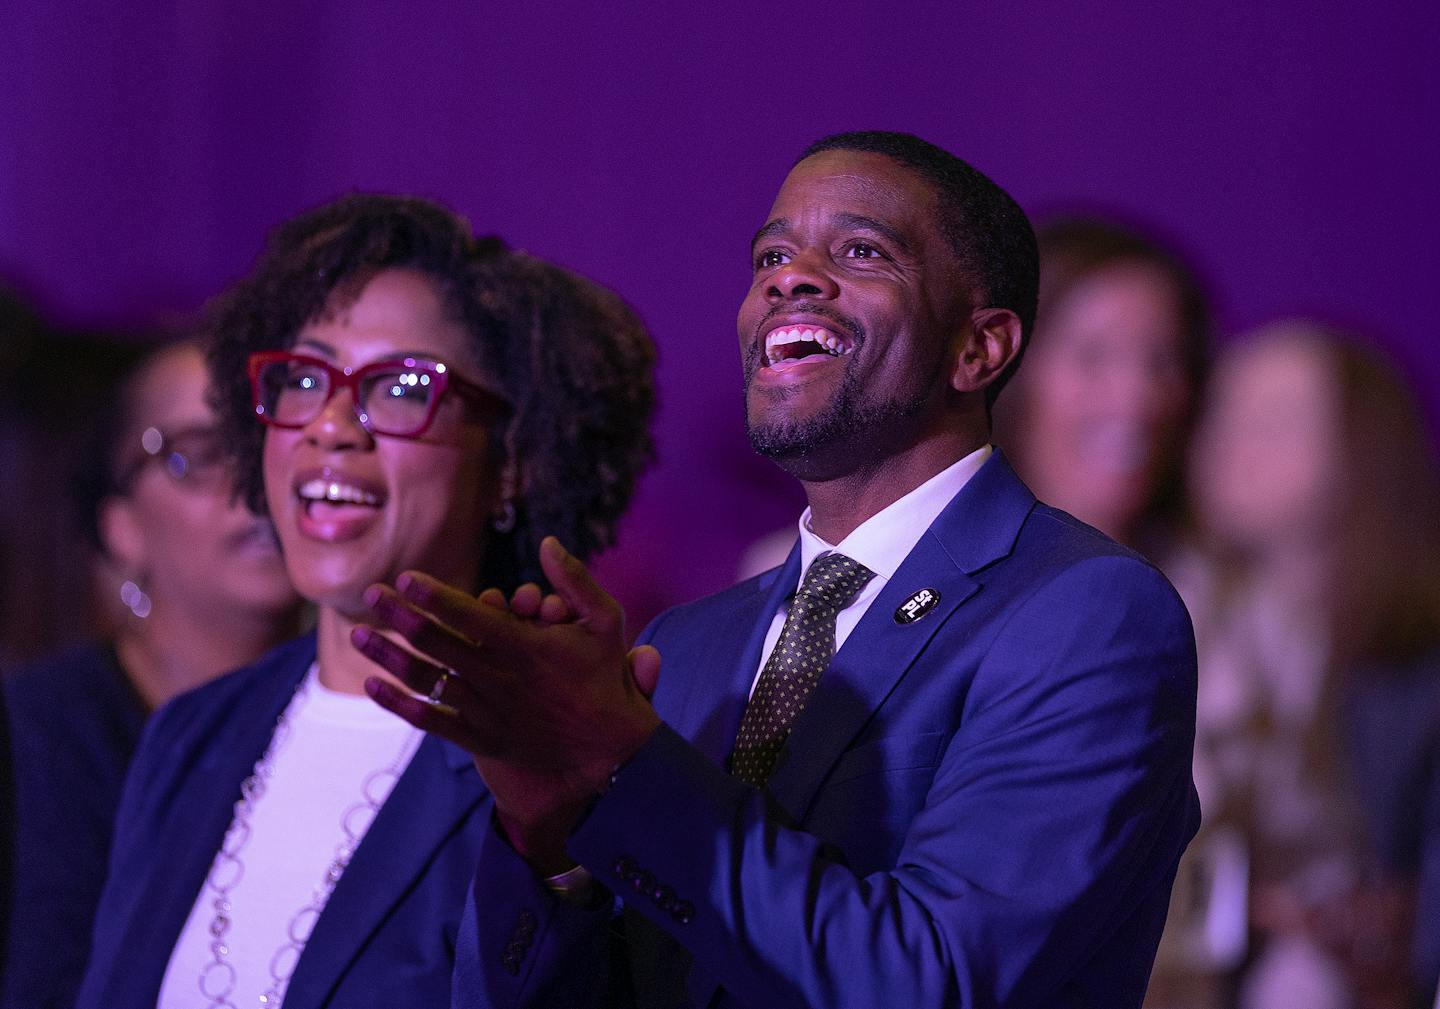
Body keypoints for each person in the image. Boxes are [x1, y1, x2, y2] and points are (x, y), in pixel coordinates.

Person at [358, 132, 1201, 1008]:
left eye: (862, 251)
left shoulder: (1086, 614)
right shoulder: (685, 644)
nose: (789, 277)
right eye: (771, 253)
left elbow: (932, 980)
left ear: (978, 350)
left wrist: (627, 761)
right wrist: (550, 845)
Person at [75, 195, 655, 1009]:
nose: (332, 426)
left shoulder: (545, 757)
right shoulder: (192, 732)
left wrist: (555, 853)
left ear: (511, 463)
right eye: (305, 378)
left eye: (399, 388)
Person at [2, 338, 304, 1009]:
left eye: (276, 440)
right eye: (197, 454)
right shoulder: (37, 736)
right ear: (121, 528)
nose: (255, 483)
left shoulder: (360, 718)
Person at [1177, 322, 1440, 1009]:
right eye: (1221, 411)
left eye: (1278, 418)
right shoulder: (1175, 605)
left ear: (1365, 449)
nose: (1232, 437)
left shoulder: (1414, 669)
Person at [994, 216, 1210, 559]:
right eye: (1093, 355)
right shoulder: (926, 588)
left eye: (1165, 361)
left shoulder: (1234, 600)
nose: (1136, 398)